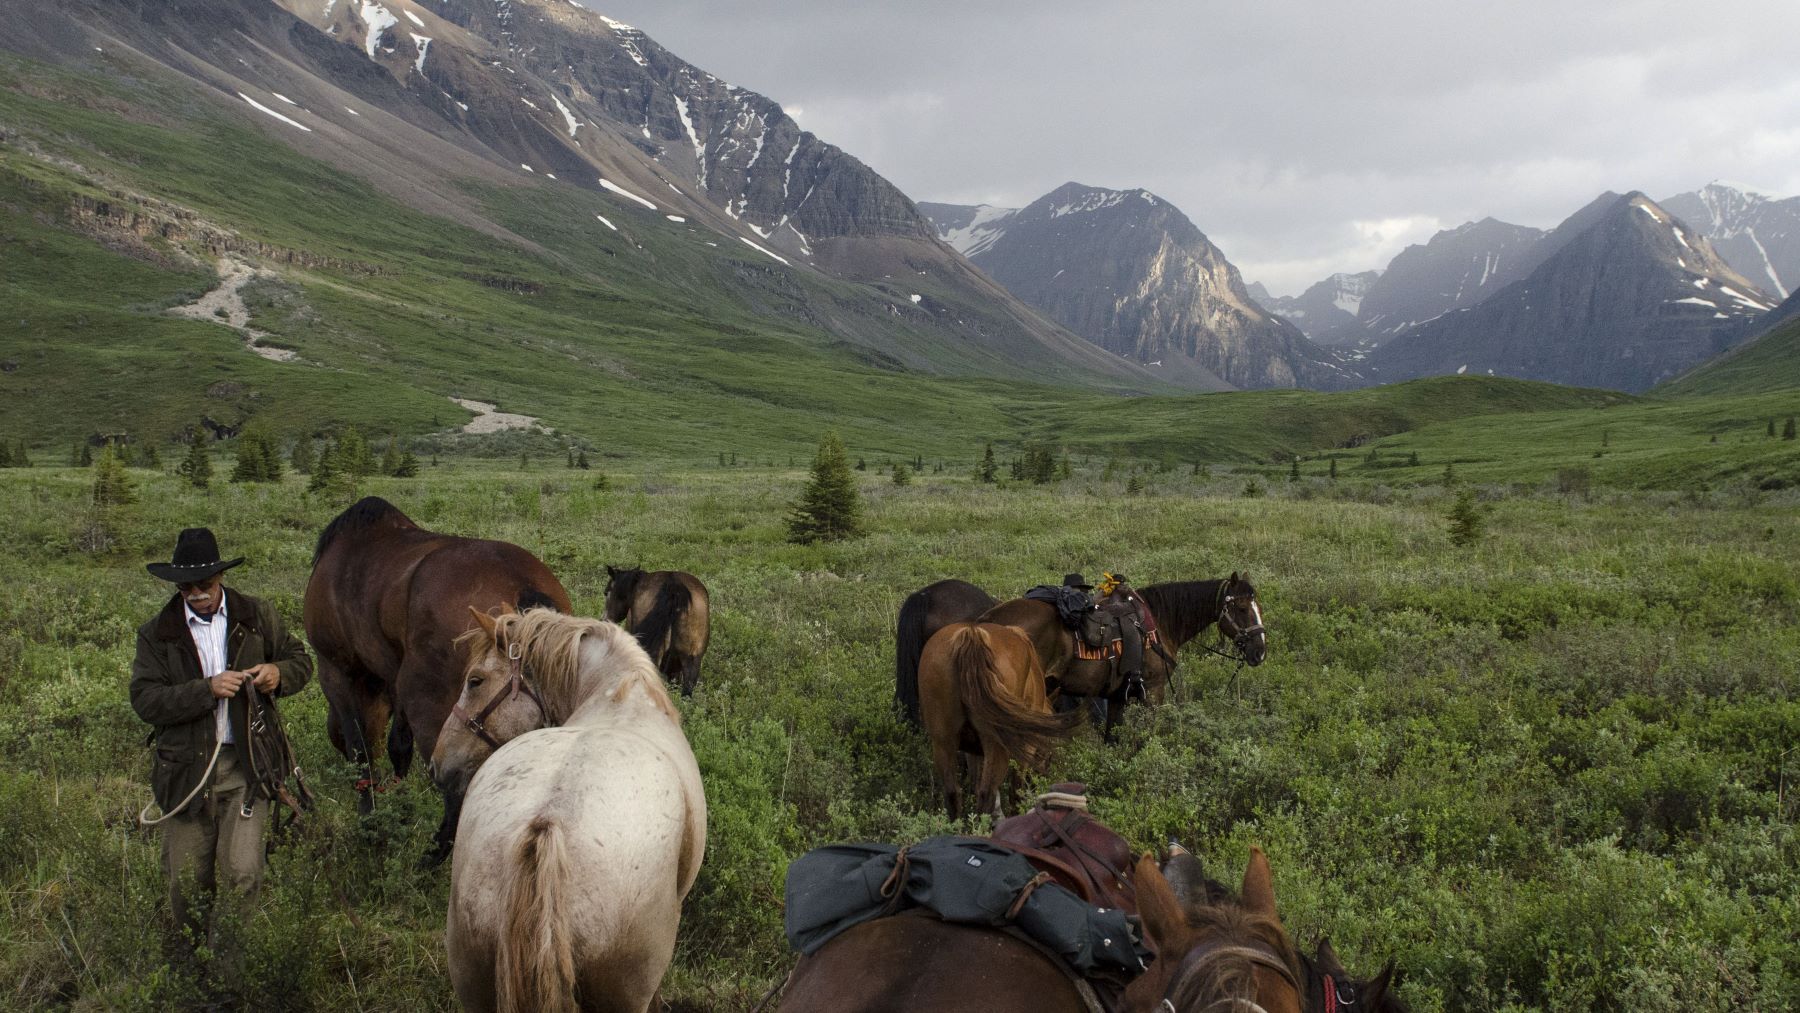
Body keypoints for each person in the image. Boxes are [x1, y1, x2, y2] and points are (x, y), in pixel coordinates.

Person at [130, 527, 312, 955]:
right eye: (186, 587)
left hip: (248, 766)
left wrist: (278, 674)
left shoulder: (257, 615)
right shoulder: (157, 633)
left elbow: (300, 660)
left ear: (220, 579)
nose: (196, 594)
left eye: (204, 585)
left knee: (244, 872)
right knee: (188, 883)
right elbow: (145, 700)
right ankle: (192, 972)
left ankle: (230, 981)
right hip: (185, 773)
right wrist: (205, 690)